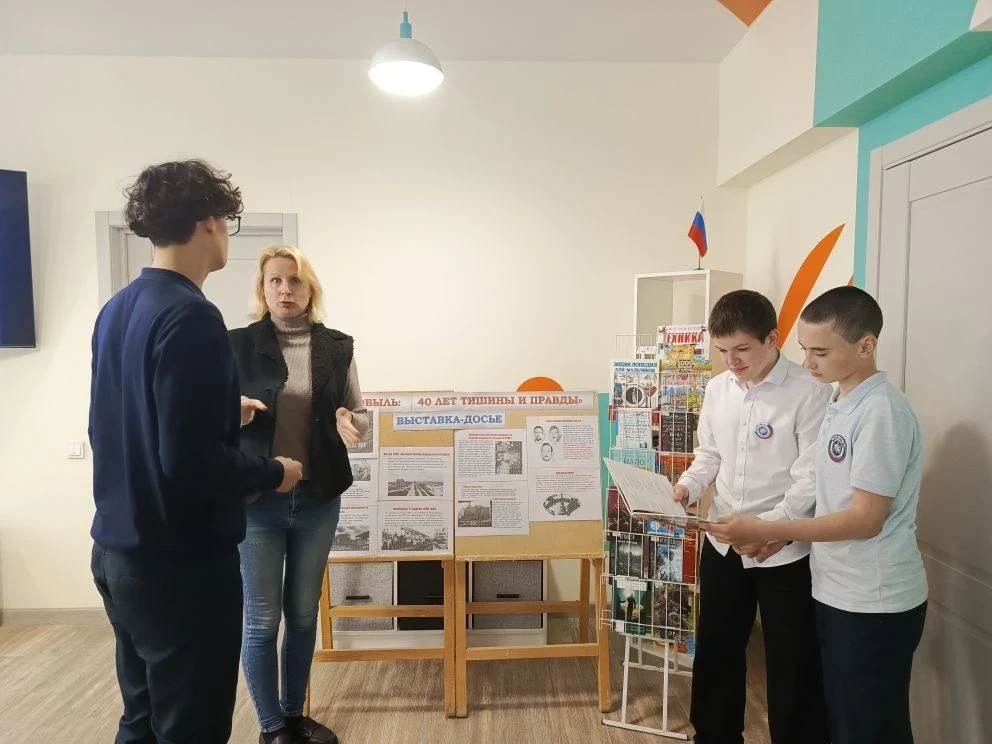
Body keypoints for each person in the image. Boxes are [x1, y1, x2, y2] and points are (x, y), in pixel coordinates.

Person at [89, 160, 303, 744]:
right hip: (178, 563)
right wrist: (274, 472)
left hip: (118, 553)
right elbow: (190, 464)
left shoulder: (118, 309)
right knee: (192, 727)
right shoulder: (192, 314)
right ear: (210, 221)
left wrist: (220, 414)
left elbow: (123, 424)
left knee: (141, 719)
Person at [706, 286, 928, 744]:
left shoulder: (881, 412)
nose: (807, 364)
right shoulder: (840, 404)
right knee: (842, 717)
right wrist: (776, 534)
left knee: (869, 723)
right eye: (805, 350)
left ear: (866, 345)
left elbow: (864, 519)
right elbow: (825, 494)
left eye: (820, 352)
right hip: (834, 587)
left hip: (873, 596)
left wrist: (772, 528)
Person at [672, 290, 831, 744]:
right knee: (716, 647)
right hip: (723, 540)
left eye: (741, 349)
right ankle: (714, 735)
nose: (732, 361)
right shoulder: (717, 389)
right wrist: (686, 488)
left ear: (772, 339)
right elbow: (709, 455)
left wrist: (770, 529)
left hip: (784, 549)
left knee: (791, 657)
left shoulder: (810, 391)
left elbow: (810, 477)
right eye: (722, 351)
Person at [229, 245, 370, 744]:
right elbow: (204, 418)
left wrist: (350, 421)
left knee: (304, 614)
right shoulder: (236, 345)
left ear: (311, 289)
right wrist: (230, 412)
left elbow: (359, 413)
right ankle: (271, 727)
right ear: (262, 289)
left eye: (295, 280)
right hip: (258, 500)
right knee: (262, 619)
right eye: (275, 280)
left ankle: (293, 715)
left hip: (318, 499)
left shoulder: (337, 346)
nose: (285, 290)